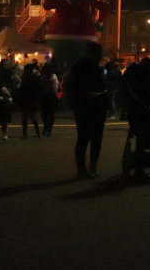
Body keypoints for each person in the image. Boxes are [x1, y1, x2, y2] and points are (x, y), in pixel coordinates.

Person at [64, 42, 109, 179]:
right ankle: (86, 167)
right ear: (94, 53)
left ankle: (86, 167)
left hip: (90, 106)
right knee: (89, 138)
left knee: (88, 138)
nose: (101, 56)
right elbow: (72, 87)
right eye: (99, 53)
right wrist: (88, 94)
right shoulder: (84, 66)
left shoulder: (89, 66)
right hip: (88, 106)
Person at [121, 57, 150, 181]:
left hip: (132, 109)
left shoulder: (131, 73)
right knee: (142, 140)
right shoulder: (144, 74)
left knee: (135, 137)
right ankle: (139, 168)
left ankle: (133, 163)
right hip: (142, 110)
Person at [19, 64, 42, 139]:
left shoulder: (24, 78)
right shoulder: (36, 78)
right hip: (33, 100)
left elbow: (21, 89)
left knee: (25, 117)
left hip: (25, 100)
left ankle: (25, 134)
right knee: (33, 117)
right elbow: (39, 89)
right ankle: (38, 133)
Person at [40, 63, 60, 137]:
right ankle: (47, 129)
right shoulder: (54, 79)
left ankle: (48, 129)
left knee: (48, 114)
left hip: (49, 97)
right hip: (48, 97)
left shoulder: (44, 79)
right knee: (47, 115)